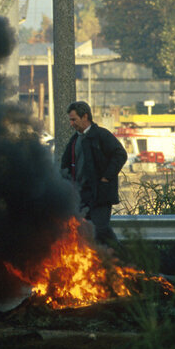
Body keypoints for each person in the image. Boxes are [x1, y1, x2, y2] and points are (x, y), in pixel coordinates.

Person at [60, 101, 128, 247]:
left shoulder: (101, 135)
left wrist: (105, 178)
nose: (71, 124)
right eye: (70, 120)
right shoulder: (74, 140)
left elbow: (120, 155)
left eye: (74, 120)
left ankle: (123, 261)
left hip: (100, 195)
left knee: (100, 230)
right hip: (81, 196)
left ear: (85, 117)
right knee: (84, 233)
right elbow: (64, 167)